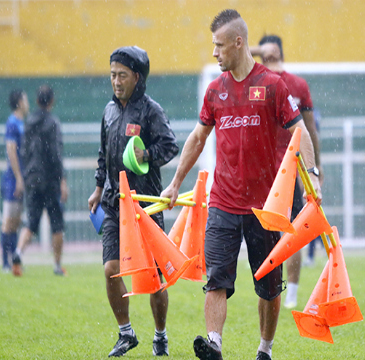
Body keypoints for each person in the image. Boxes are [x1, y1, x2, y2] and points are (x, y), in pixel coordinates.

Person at [161, 10, 321, 360]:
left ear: (238, 42)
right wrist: (174, 183)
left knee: (268, 288)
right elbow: (198, 138)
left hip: (265, 208)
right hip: (223, 202)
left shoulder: (273, 86)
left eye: (219, 45)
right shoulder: (215, 90)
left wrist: (314, 177)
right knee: (217, 279)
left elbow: (300, 132)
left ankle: (265, 349)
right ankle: (214, 344)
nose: (214, 53)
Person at [87, 46, 179, 357]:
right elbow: (104, 155)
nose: (115, 81)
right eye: (112, 75)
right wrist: (99, 188)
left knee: (153, 279)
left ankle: (160, 334)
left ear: (137, 78)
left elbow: (170, 145)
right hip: (115, 203)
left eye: (122, 75)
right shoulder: (108, 112)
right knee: (111, 268)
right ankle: (126, 333)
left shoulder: (151, 111)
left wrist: (148, 154)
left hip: (146, 204)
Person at [250, 35, 322, 309]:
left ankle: (284, 291)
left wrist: (315, 168)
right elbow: (311, 131)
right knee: (285, 230)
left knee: (282, 231)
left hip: (284, 168)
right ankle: (283, 291)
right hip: (272, 169)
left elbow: (309, 130)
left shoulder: (266, 84)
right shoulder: (263, 83)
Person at [11, 85, 68, 277]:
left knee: (31, 222)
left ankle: (18, 253)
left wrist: (27, 175)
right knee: (57, 223)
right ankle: (57, 265)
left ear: (37, 101)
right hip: (50, 179)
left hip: (33, 178)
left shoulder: (28, 123)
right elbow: (56, 154)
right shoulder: (53, 123)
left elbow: (24, 152)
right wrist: (62, 180)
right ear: (51, 101)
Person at [0, 89, 29, 273]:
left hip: (20, 177)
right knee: (8, 220)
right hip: (12, 178)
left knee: (16, 220)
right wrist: (18, 177)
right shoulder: (12, 123)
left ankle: (13, 262)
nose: (27, 102)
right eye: (25, 99)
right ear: (19, 102)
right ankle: (5, 263)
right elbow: (11, 150)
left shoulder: (21, 123)